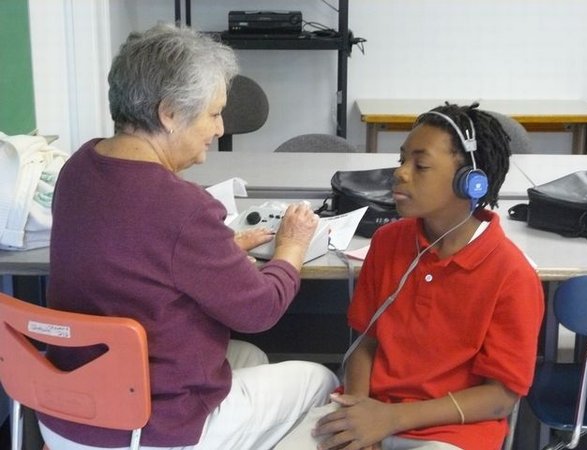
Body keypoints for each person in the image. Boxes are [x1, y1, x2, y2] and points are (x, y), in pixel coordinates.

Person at [37, 23, 338, 450]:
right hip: (146, 429)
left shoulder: (79, 168)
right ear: (169, 114)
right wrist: (291, 246)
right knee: (320, 380)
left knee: (247, 357)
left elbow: (130, 256)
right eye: (213, 113)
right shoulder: (183, 207)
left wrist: (218, 251)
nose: (218, 129)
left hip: (66, 409)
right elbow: (260, 310)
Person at [276, 104, 544, 450]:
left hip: (448, 431)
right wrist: (358, 416)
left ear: (471, 182)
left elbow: (500, 398)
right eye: (402, 160)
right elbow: (364, 344)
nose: (400, 173)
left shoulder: (512, 274)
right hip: (369, 410)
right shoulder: (389, 242)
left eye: (420, 165)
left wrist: (392, 420)